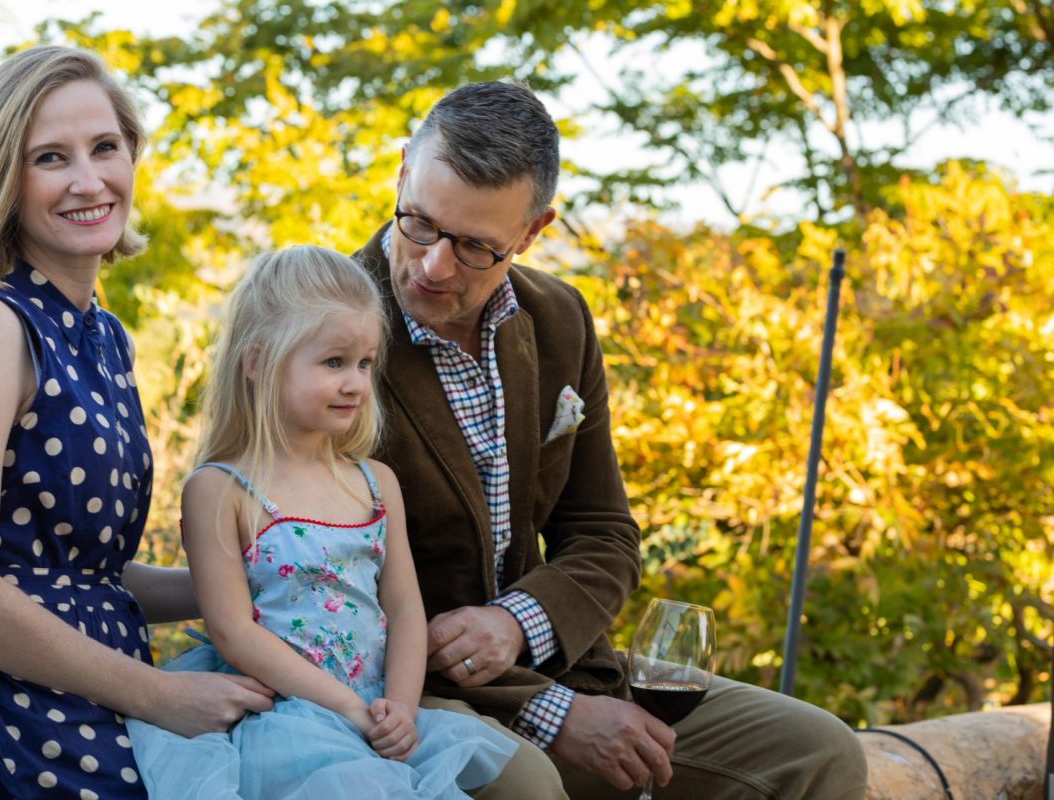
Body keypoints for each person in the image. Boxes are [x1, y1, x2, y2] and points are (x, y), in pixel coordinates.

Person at [352, 81, 870, 799]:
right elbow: (320, 594)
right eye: (420, 224)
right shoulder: (325, 325)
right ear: (403, 171)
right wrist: (550, 713)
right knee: (528, 784)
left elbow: (603, 534)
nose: (435, 265)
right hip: (403, 695)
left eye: (475, 247)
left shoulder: (559, 317)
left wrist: (517, 623)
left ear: (534, 231)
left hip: (567, 664)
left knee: (818, 751)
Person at [0, 46, 274, 799]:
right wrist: (159, 696)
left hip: (92, 693)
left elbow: (83, 574)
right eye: (50, 158)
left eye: (105, 148)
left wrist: (236, 580)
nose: (89, 181)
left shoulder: (100, 334)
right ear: (3, 178)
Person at [125, 245, 517, 798]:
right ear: (259, 362)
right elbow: (233, 631)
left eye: (364, 363)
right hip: (287, 716)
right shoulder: (221, 488)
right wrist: (349, 710)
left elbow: (405, 608)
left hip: (377, 705)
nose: (356, 382)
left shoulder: (376, 482)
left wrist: (400, 711)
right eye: (333, 362)